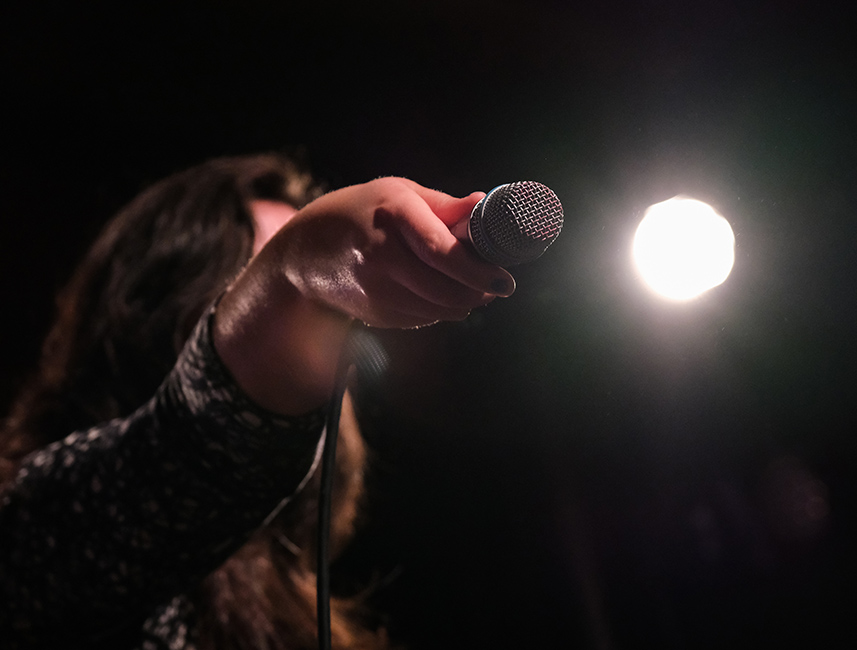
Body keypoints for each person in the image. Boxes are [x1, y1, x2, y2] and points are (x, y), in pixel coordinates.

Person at [0, 154, 516, 649]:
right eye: (252, 279)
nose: (335, 316)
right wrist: (294, 273)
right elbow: (193, 445)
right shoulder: (40, 532)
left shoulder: (292, 606)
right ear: (158, 310)